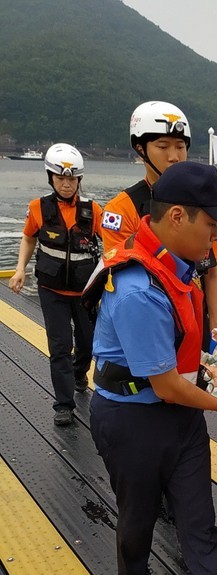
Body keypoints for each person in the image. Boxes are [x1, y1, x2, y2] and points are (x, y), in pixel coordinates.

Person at [87, 161, 217, 575]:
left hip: (180, 416)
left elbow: (180, 363)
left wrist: (210, 367)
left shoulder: (180, 270)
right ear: (178, 216)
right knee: (137, 512)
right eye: (212, 225)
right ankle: (135, 573)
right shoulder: (137, 288)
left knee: (199, 521)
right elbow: (163, 384)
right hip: (131, 421)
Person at [101, 101, 217, 340]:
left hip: (196, 317)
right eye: (163, 146)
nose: (174, 157)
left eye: (181, 147)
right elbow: (123, 282)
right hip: (152, 322)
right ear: (141, 149)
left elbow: (213, 271)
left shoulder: (206, 201)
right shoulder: (121, 210)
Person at [9, 143, 102, 426]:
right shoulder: (38, 208)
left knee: (87, 343)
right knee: (60, 346)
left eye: (72, 179)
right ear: (51, 177)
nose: (66, 184)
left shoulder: (93, 210)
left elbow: (111, 245)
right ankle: (64, 404)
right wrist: (20, 269)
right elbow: (29, 238)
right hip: (52, 291)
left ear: (79, 180)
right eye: (60, 178)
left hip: (84, 292)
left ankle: (79, 372)